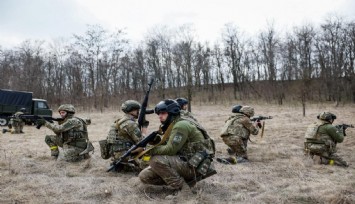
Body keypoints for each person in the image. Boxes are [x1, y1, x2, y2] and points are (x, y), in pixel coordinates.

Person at [138, 99, 216, 196]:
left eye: (163, 113)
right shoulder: (174, 123)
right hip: (185, 161)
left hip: (194, 166)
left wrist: (149, 151)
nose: (160, 116)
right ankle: (181, 182)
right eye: (159, 113)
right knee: (144, 176)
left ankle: (184, 189)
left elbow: (170, 149)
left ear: (172, 112)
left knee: (155, 160)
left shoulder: (181, 125)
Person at [99, 100, 148, 172]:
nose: (138, 112)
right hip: (126, 157)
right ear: (131, 110)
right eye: (137, 110)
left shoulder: (117, 122)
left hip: (116, 157)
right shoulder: (130, 124)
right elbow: (142, 142)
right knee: (149, 157)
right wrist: (144, 127)